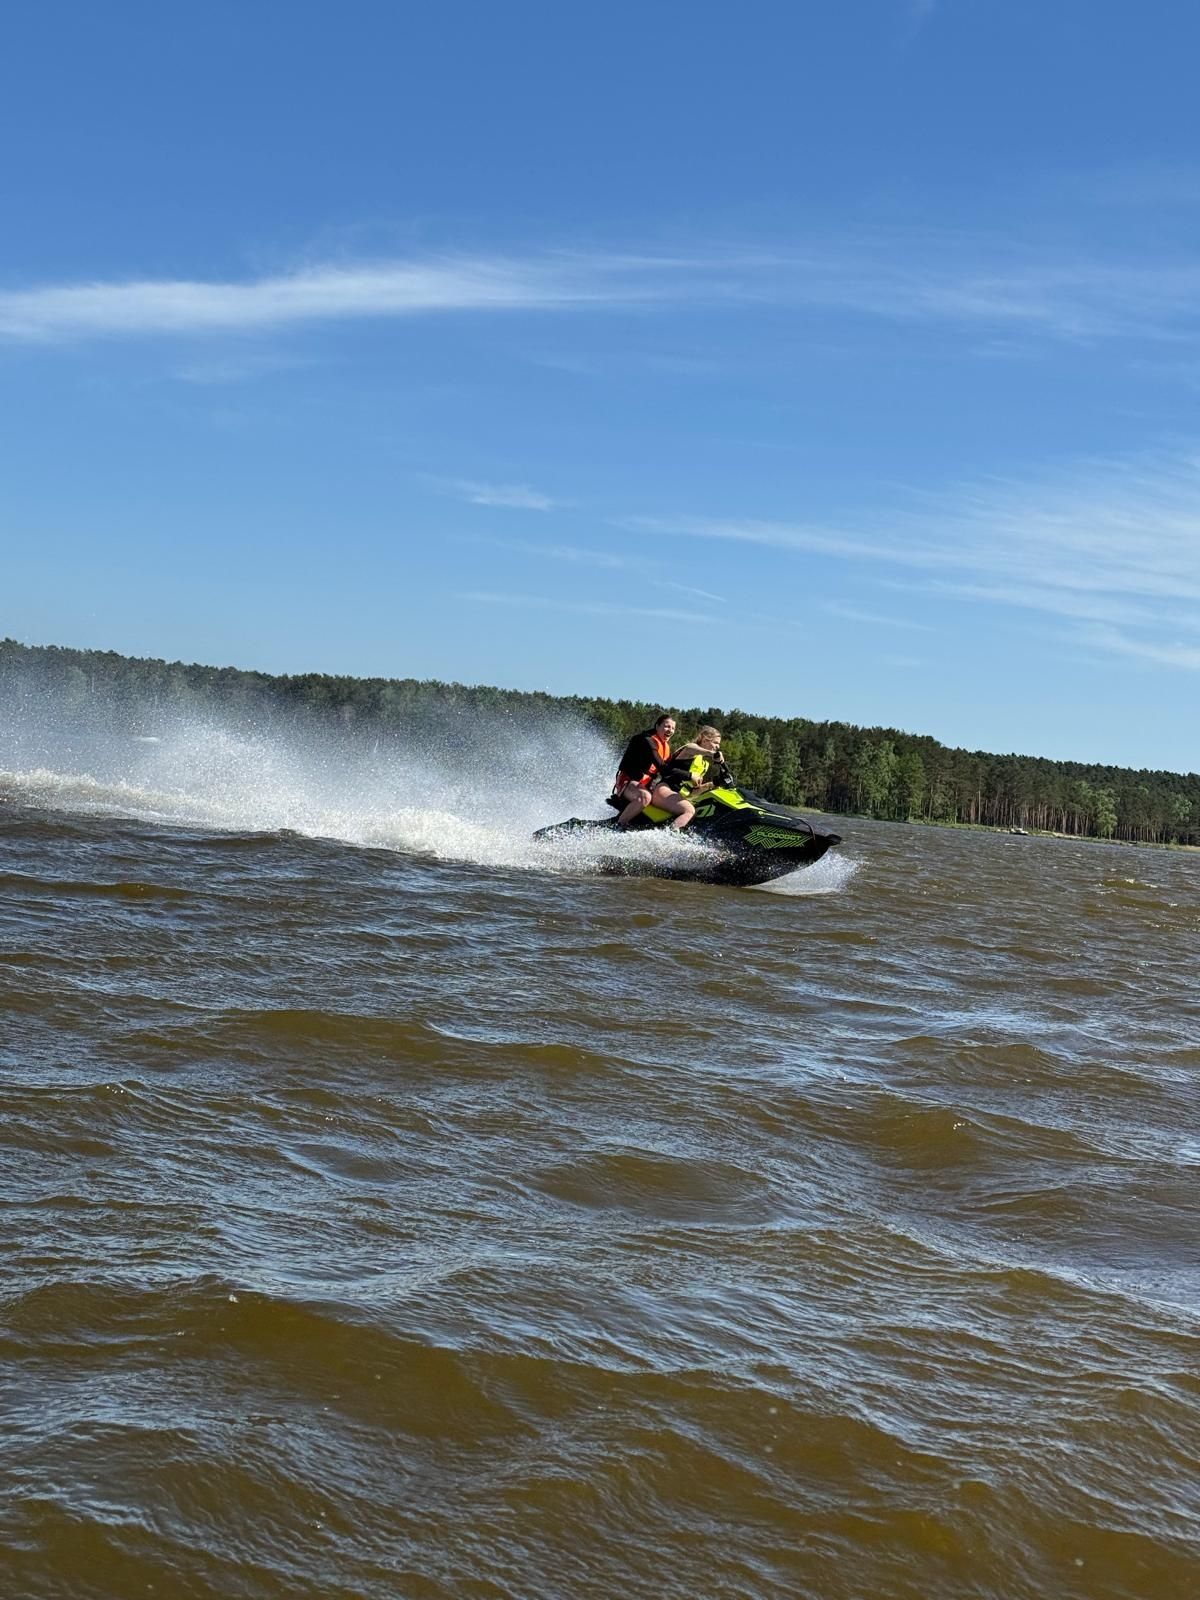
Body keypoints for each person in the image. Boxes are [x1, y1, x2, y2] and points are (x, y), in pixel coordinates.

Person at [649, 725, 731, 830]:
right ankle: (670, 837)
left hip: (680, 796)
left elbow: (694, 791)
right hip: (665, 790)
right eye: (715, 743)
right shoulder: (690, 749)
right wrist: (712, 754)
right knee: (689, 811)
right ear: (705, 740)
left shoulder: (704, 763)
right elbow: (690, 748)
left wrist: (714, 784)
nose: (717, 747)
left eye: (718, 744)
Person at [612, 713, 676, 826]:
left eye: (673, 728)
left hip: (645, 785)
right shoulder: (647, 741)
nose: (670, 730)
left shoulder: (665, 747)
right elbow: (662, 767)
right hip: (628, 782)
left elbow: (672, 767)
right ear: (657, 726)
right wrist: (689, 775)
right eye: (667, 726)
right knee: (645, 797)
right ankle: (619, 825)